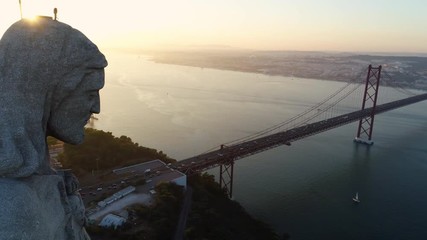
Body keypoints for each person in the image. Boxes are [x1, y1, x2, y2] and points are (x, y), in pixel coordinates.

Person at [0, 16, 107, 240]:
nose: (96, 108)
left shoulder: (32, 178)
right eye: (89, 92)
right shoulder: (15, 211)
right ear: (49, 89)